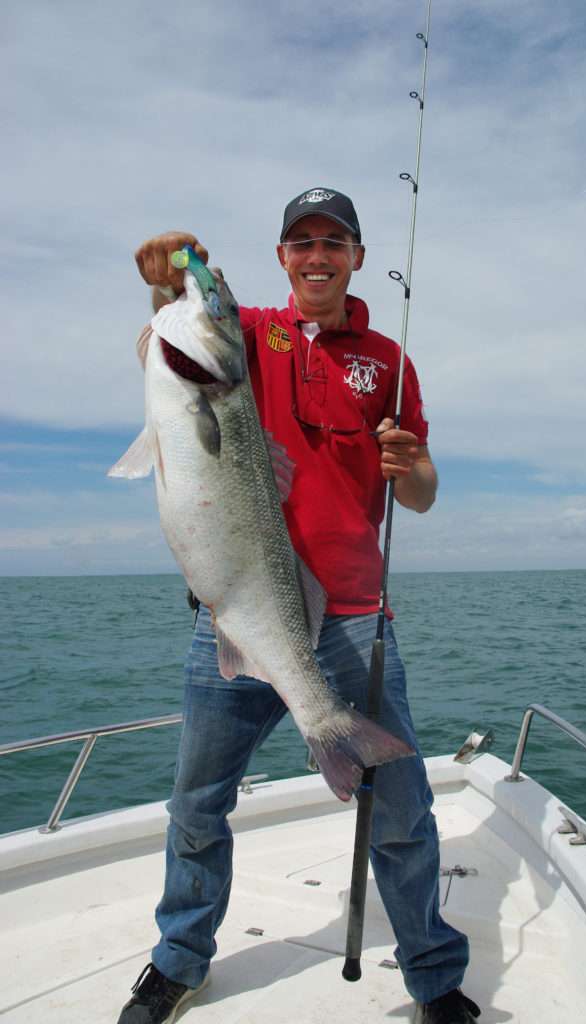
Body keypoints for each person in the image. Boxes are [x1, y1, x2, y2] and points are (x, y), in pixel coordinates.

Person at [118, 188, 479, 1024]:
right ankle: (179, 960)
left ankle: (431, 973)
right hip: (233, 618)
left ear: (356, 255)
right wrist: (163, 281)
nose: (316, 254)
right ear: (282, 257)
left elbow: (419, 496)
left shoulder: (388, 360)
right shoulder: (246, 335)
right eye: (301, 241)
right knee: (196, 806)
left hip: (354, 615)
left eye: (334, 241)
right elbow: (177, 334)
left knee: (401, 814)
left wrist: (410, 463)